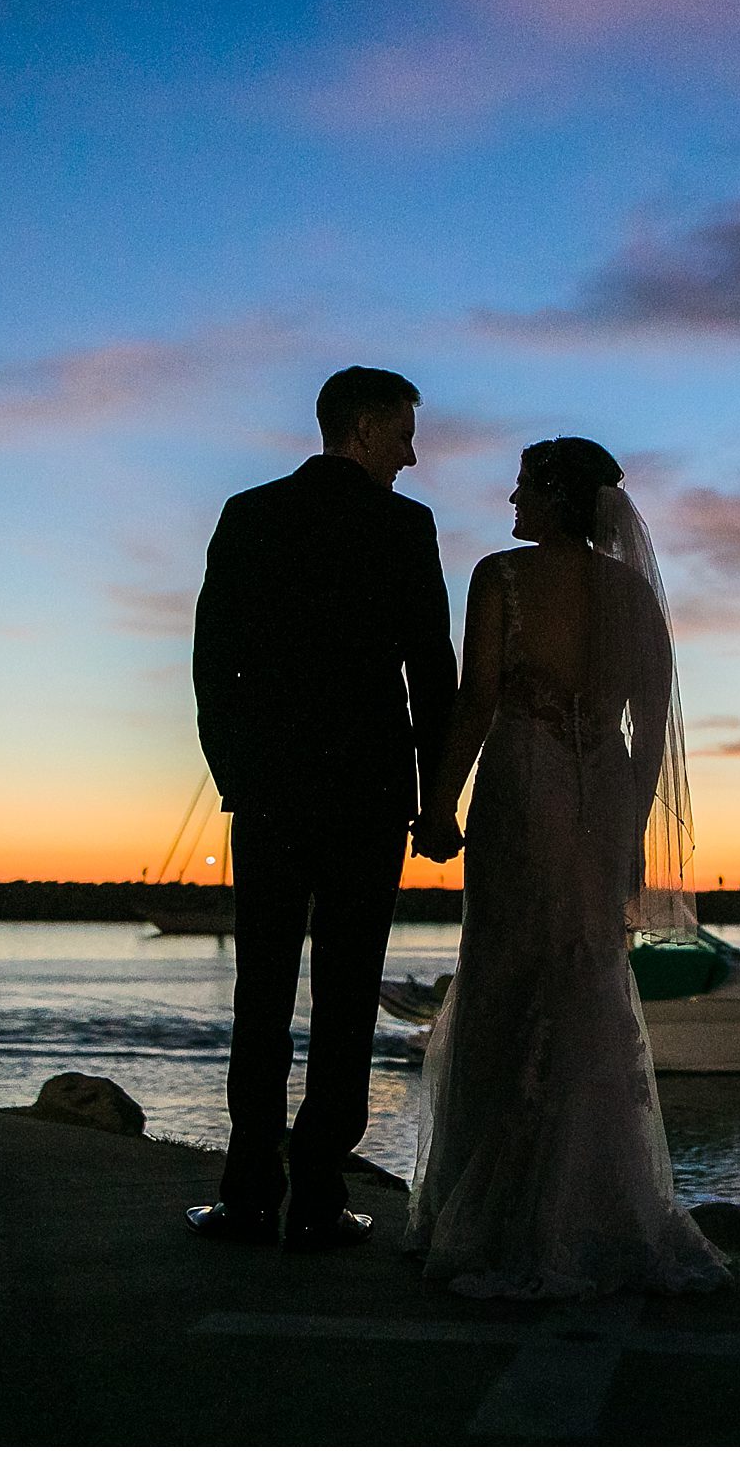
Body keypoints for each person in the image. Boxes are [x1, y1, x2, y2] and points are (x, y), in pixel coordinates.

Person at [403, 438, 729, 1297]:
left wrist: (437, 804)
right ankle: (595, 1206)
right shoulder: (635, 597)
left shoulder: (501, 577)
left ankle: (488, 1212)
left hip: (526, 783)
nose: (511, 498)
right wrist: (634, 832)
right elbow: (651, 725)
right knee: (586, 974)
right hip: (604, 793)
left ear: (553, 495)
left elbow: (478, 700)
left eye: (523, 484)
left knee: (508, 972)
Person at [185, 367, 461, 1253]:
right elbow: (431, 674)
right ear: (368, 428)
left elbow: (211, 664)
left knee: (260, 995)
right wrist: (435, 800)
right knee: (347, 996)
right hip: (370, 796)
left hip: (270, 793)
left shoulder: (250, 514)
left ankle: (247, 1192)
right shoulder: (404, 527)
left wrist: (238, 772)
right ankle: (316, 1198)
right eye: (407, 433)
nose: (414, 456)